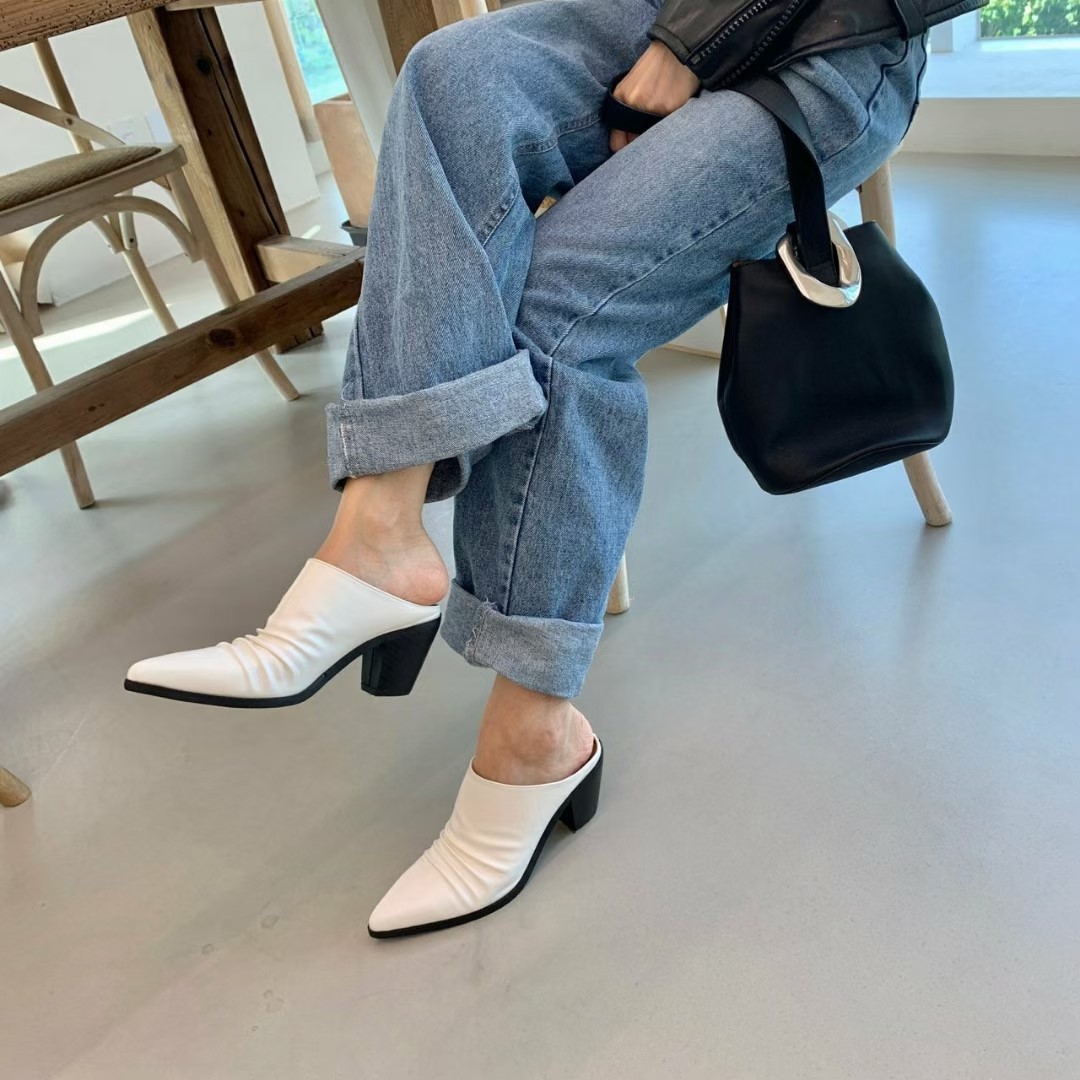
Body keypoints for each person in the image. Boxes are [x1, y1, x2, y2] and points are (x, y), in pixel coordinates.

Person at [124, 0, 928, 938]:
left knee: (558, 307)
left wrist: (694, 43)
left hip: (833, 36)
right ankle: (378, 533)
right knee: (449, 81)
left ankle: (535, 732)